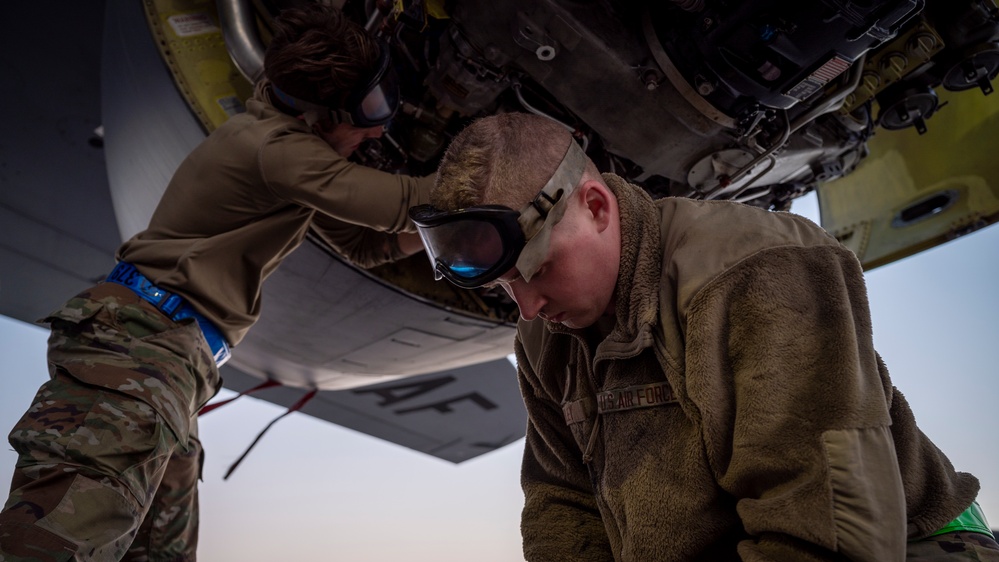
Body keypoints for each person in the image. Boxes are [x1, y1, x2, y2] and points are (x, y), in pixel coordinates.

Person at [408, 112, 998, 561]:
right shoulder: (545, 339)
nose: (529, 307)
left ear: (595, 206)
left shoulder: (757, 272)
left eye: (538, 270)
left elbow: (829, 534)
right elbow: (561, 504)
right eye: (508, 287)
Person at [0, 4, 432, 561]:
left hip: (167, 363)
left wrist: (446, 238)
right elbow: (402, 205)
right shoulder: (275, 149)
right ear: (316, 114)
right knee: (50, 544)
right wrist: (512, 181)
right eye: (369, 109)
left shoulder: (288, 157)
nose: (380, 126)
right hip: (138, 350)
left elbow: (362, 245)